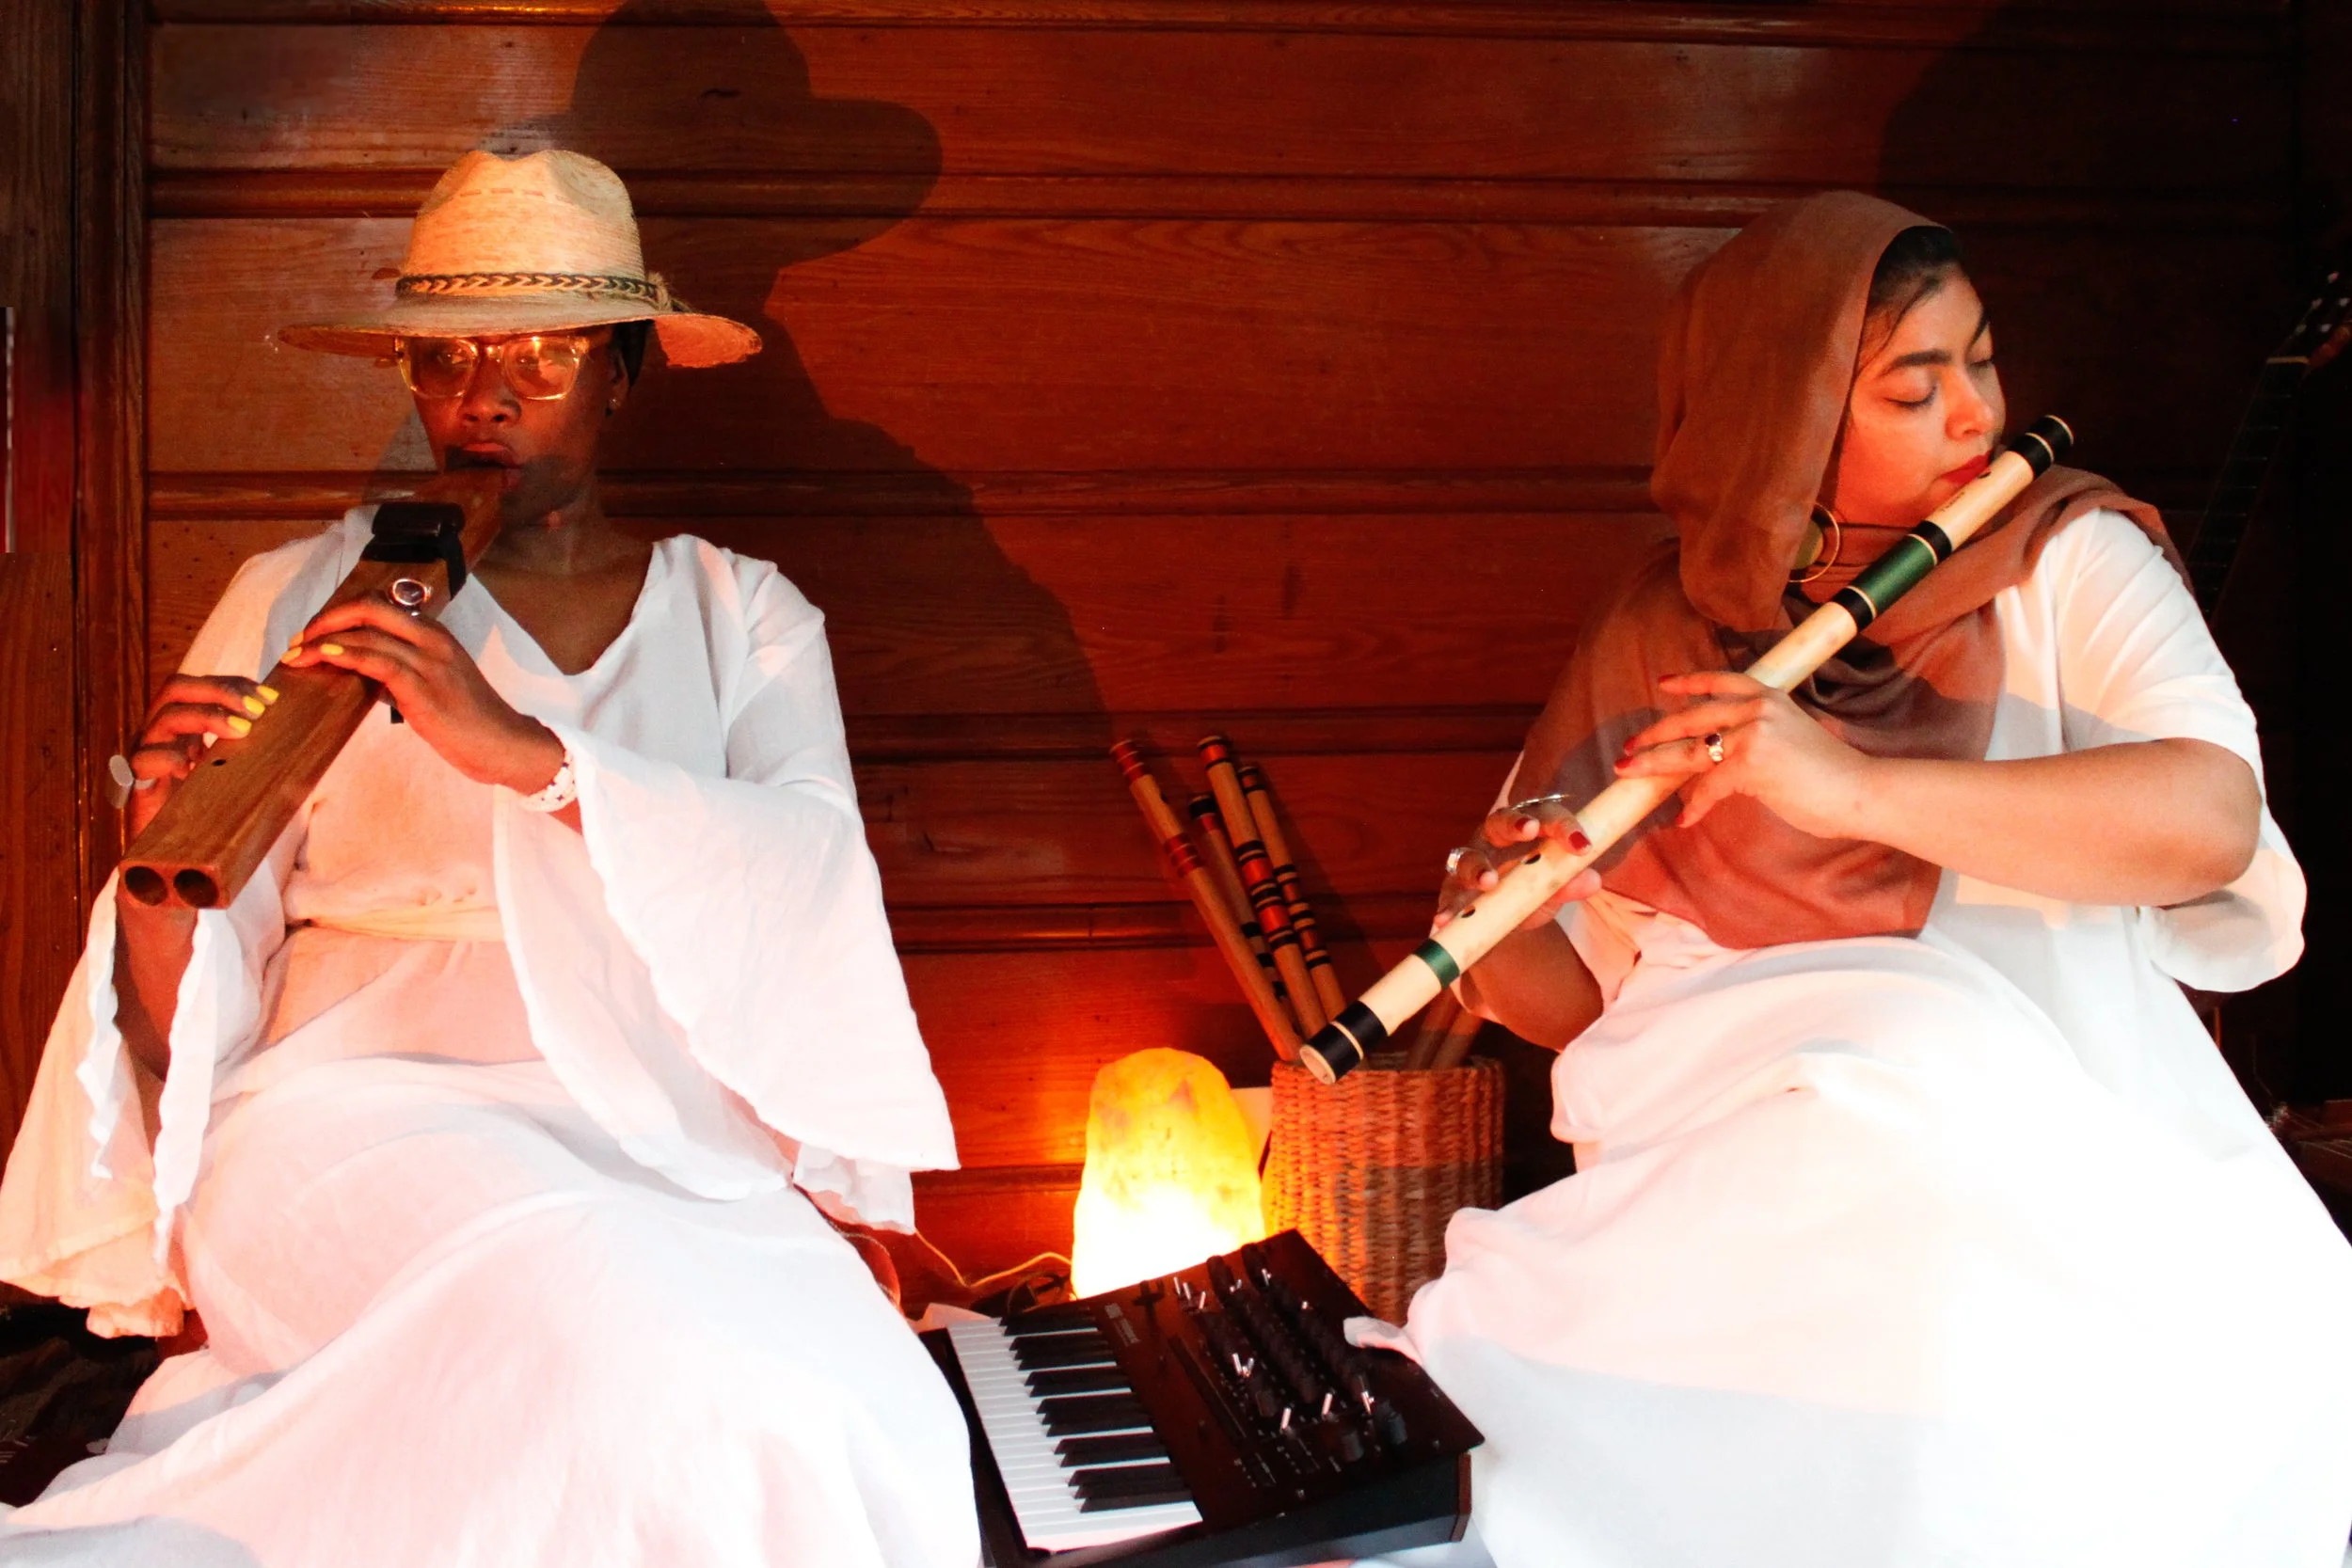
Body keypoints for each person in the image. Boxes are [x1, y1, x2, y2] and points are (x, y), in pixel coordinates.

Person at [0, 150, 978, 1568]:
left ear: (625, 371)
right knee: (613, 1336)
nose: (484, 397)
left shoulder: (741, 614)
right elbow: (167, 1033)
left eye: (540, 352)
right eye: (445, 355)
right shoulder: (296, 600)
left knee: (839, 1406)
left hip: (664, 1142)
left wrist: (531, 753)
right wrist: (159, 865)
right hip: (344, 1118)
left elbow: (809, 879)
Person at [1378, 193, 2352, 1567]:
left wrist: (1844, 785)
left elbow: (2209, 816)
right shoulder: (1658, 626)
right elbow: (1573, 1007)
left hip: (2031, 1178)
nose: (1976, 415)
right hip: (1719, 1183)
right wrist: (1499, 910)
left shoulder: (2070, 556)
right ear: (1784, 422)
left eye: (1983, 361)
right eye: (1915, 385)